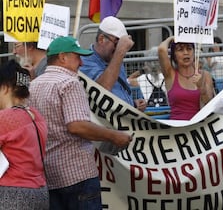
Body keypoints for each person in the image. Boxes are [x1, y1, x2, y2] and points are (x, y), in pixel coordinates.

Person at [28, 36, 133, 209]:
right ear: (63, 57)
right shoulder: (70, 83)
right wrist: (114, 136)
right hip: (76, 174)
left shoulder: (34, 85)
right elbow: (77, 125)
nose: (82, 63)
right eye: (77, 57)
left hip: (49, 174)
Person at [0, 60, 49, 209]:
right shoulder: (36, 115)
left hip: (13, 194)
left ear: (6, 88)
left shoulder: (6, 118)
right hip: (40, 191)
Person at [80, 16, 146, 111]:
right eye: (117, 44)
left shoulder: (115, 59)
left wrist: (133, 104)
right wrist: (119, 52)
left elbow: (119, 92)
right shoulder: (84, 61)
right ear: (101, 39)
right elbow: (102, 90)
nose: (119, 48)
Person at [158, 36, 215, 120]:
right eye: (180, 49)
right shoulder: (170, 74)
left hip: (200, 127)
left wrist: (202, 88)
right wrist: (172, 37)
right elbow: (161, 50)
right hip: (177, 127)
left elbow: (210, 104)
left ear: (194, 52)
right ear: (174, 55)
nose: (186, 53)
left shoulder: (205, 75)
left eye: (189, 48)